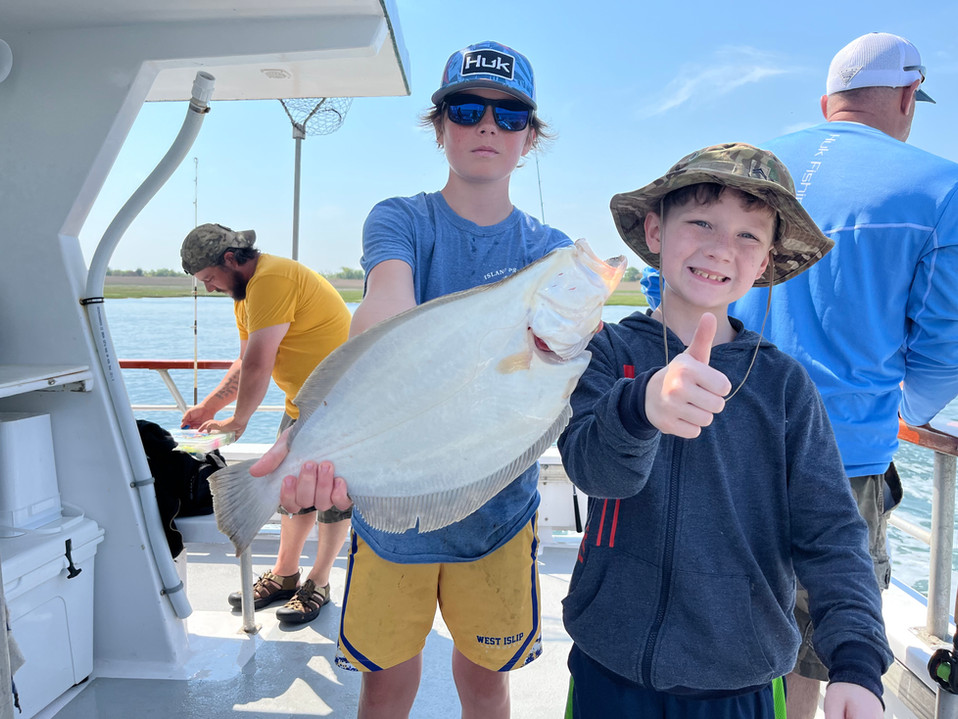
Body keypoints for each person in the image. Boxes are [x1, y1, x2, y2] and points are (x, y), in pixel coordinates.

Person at [640, 32, 958, 718]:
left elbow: (657, 285)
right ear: (907, 99)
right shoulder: (942, 186)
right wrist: (893, 411)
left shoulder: (743, 169)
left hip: (709, 438)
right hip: (843, 457)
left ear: (826, 102)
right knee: (822, 647)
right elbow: (942, 352)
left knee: (719, 632)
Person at [251, 41, 571, 719]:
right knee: (385, 680)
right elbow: (385, 303)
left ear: (530, 139)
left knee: (487, 682)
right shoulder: (401, 217)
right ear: (440, 126)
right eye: (467, 107)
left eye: (511, 115)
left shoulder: (550, 252)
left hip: (500, 513)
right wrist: (312, 436)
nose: (488, 125)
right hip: (395, 517)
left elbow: (550, 379)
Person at [559, 143, 892, 719]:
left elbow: (832, 533)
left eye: (747, 236)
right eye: (702, 222)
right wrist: (640, 407)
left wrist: (857, 662)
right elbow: (593, 470)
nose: (720, 248)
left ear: (765, 262)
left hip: (742, 678)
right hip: (607, 661)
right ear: (656, 231)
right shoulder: (606, 352)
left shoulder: (785, 385)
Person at [179, 223, 352, 624]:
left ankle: (319, 583)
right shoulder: (245, 294)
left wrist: (237, 422)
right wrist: (209, 407)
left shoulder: (272, 278)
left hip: (339, 407)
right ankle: (284, 575)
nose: (209, 288)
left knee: (330, 497)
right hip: (303, 407)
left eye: (209, 279)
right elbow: (245, 362)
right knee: (289, 490)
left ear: (229, 260)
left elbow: (261, 362)